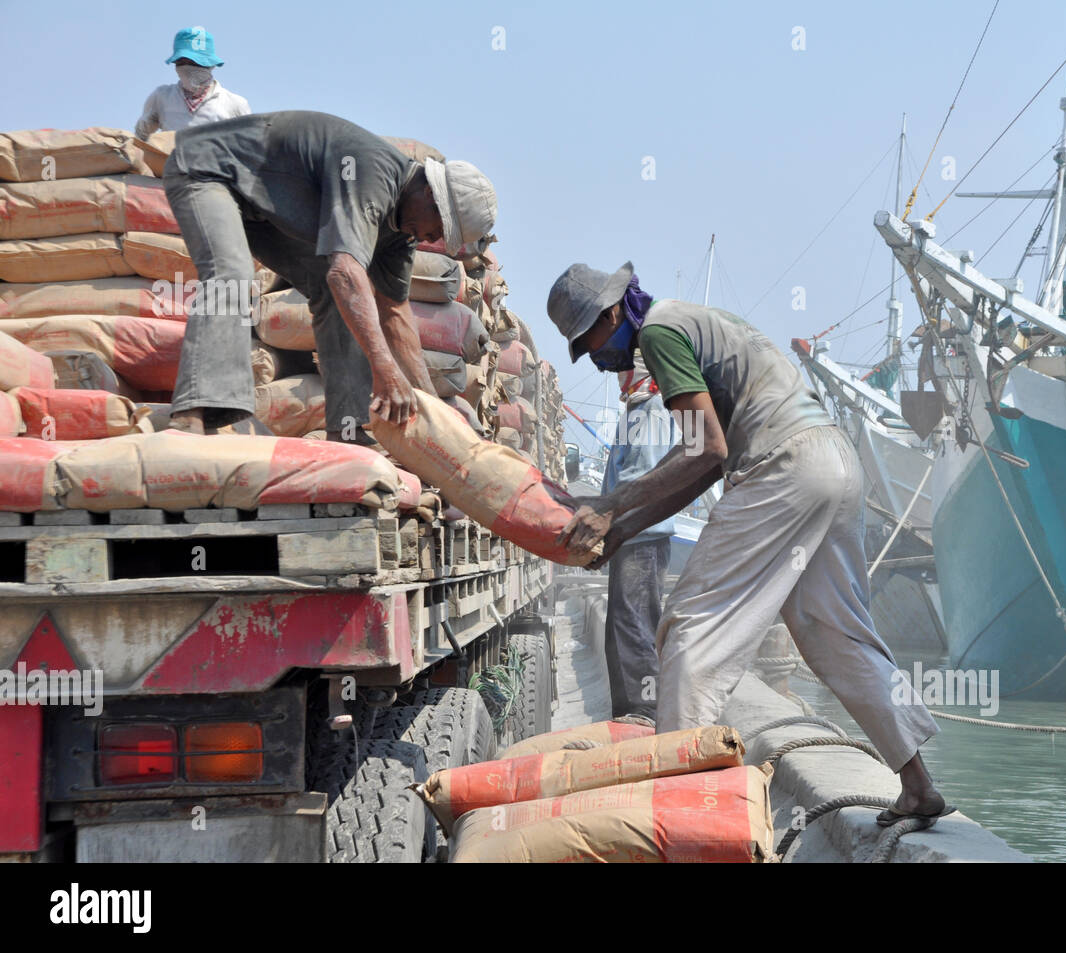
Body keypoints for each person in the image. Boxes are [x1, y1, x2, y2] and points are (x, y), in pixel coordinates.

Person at [546, 262, 950, 826]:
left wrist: (614, 502)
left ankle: (682, 815)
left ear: (611, 315)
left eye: (589, 344)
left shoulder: (659, 335)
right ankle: (918, 786)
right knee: (834, 632)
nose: (594, 358)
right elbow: (705, 464)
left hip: (783, 468)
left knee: (692, 628)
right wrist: (624, 529)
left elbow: (703, 451)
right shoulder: (693, 324)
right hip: (833, 463)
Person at [161, 110, 496, 436]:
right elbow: (345, 272)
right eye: (439, 227)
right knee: (232, 274)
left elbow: (395, 313)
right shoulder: (372, 172)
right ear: (429, 194)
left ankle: (347, 429)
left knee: (342, 301)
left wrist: (432, 412)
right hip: (208, 170)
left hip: (259, 207)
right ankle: (193, 412)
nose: (433, 239)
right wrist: (385, 369)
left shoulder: (402, 232)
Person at [600, 351, 677, 721]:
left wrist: (601, 515)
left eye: (621, 369)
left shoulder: (650, 412)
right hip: (632, 539)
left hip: (641, 538)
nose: (617, 377)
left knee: (634, 628)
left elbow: (640, 478)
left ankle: (644, 714)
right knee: (623, 629)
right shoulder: (636, 410)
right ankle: (631, 713)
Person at [134, 27, 251, 140]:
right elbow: (140, 139)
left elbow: (249, 148)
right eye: (181, 62)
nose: (187, 68)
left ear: (210, 65)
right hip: (172, 159)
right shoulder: (161, 98)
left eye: (195, 63)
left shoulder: (234, 104)